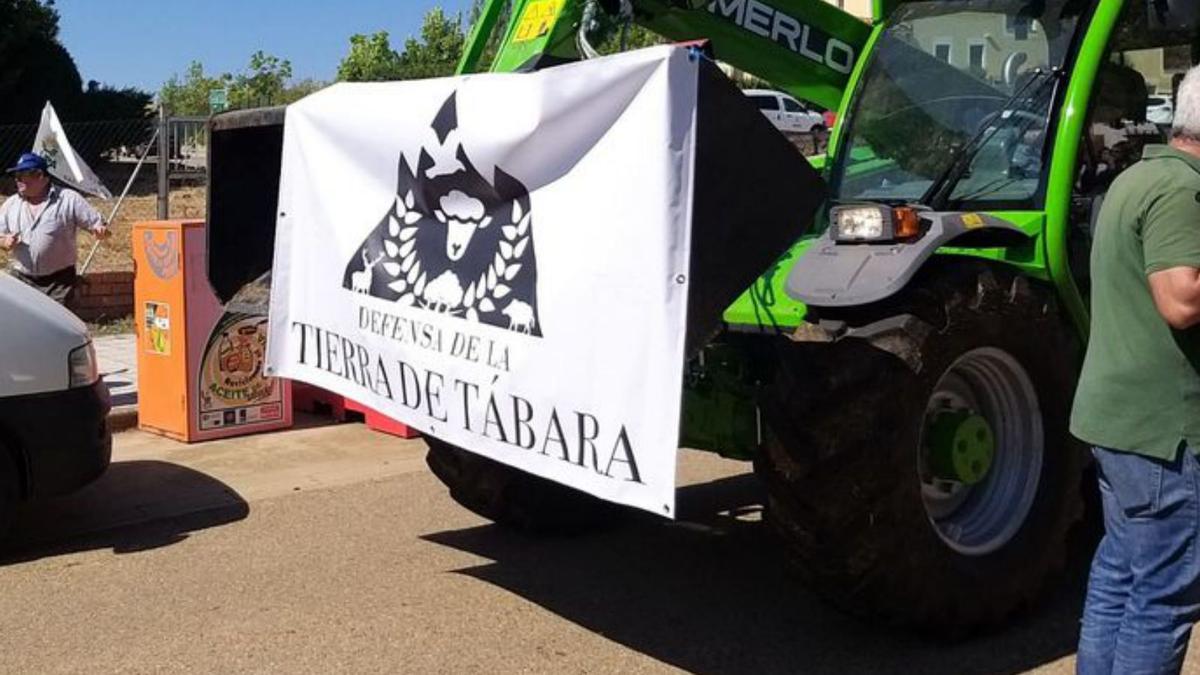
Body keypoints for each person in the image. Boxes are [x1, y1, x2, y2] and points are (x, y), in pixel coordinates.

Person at [1071, 64, 1200, 675]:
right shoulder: (1183, 191)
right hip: (1163, 432)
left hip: (1116, 421)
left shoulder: (1138, 175)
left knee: (1121, 575)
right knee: (1165, 598)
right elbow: (1182, 300)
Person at [0, 152, 108, 304]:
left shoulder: (68, 199)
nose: (18, 180)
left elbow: (98, 224)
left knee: (54, 325)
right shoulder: (11, 204)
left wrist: (100, 231)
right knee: (24, 326)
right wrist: (5, 242)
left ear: (41, 177)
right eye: (16, 175)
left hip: (59, 282)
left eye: (23, 174)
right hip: (22, 278)